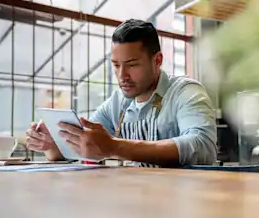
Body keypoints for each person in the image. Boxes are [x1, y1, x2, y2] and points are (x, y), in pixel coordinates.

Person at [26, 19, 217, 167]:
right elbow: (88, 144)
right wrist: (53, 145)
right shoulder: (118, 102)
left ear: (157, 60)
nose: (122, 75)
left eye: (132, 65)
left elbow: (202, 146)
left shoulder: (185, 92)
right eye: (116, 65)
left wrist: (114, 146)